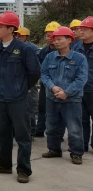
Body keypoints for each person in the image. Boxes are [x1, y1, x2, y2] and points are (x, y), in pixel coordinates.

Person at [0, 11, 40, 184]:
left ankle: (23, 169)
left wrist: (21, 88)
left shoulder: (25, 49)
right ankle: (3, 164)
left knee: (22, 136)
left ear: (11, 29)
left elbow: (34, 72)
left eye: (0, 26)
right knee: (1, 133)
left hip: (18, 99)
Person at [40, 26, 87, 165]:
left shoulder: (79, 59)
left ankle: (76, 153)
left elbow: (81, 79)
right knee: (51, 127)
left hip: (72, 100)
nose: (56, 42)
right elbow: (44, 74)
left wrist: (66, 92)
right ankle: (54, 149)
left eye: (59, 39)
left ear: (69, 40)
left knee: (74, 128)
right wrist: (53, 87)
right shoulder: (50, 57)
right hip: (52, 98)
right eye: (55, 39)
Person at [34, 21, 61, 137]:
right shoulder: (43, 52)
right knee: (42, 107)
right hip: (46, 84)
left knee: (59, 110)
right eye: (47, 35)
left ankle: (58, 134)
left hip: (61, 85)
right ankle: (40, 129)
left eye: (52, 35)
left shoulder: (65, 51)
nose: (49, 38)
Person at [16, 27, 41, 139]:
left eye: (21, 36)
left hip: (30, 82)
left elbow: (36, 68)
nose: (19, 37)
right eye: (17, 35)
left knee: (31, 107)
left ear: (26, 36)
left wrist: (30, 83)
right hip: (18, 81)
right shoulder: (15, 47)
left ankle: (31, 131)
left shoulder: (33, 48)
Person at [73, 16, 93, 152]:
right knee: (81, 118)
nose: (81, 31)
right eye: (81, 29)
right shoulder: (76, 47)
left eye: (85, 29)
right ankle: (82, 144)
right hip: (79, 89)